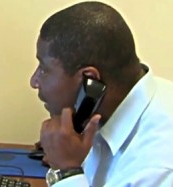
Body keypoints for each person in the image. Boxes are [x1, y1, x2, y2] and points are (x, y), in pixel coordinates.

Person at [29, 1, 173, 187]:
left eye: (44, 69)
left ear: (89, 79)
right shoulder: (105, 112)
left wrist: (67, 171)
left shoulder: (157, 169)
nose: (34, 81)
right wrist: (66, 153)